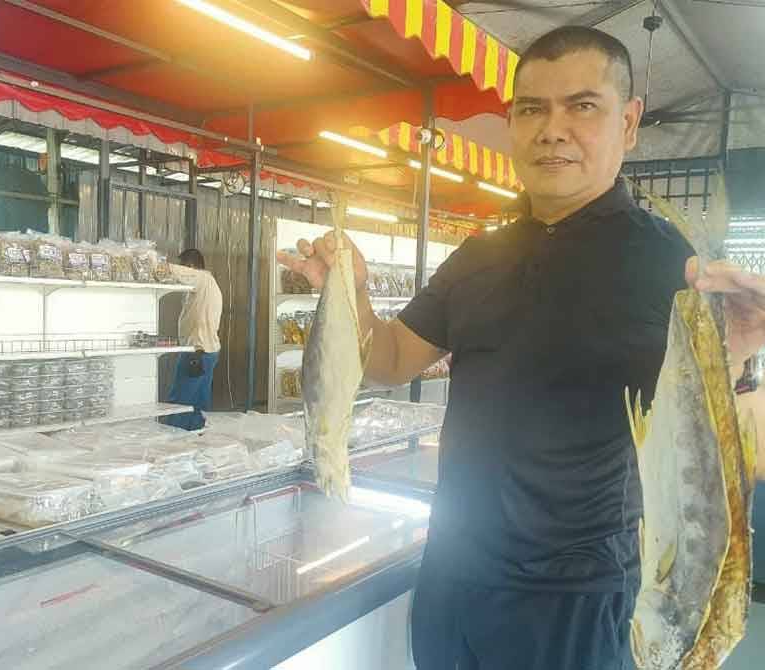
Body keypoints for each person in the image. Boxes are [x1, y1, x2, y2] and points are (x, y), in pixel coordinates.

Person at [279, 26, 765, 670]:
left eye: (582, 106)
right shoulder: (478, 257)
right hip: (453, 573)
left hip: (578, 594)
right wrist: (350, 295)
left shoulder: (671, 267)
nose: (552, 129)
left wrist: (738, 355)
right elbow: (390, 361)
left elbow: (733, 450)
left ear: (628, 122)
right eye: (531, 109)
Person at [163, 248, 223, 431]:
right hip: (208, 350)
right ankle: (195, 438)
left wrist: (151, 261)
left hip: (197, 351)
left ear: (191, 267)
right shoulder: (206, 285)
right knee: (198, 401)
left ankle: (173, 440)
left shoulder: (202, 278)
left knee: (181, 401)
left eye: (184, 267)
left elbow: (173, 271)